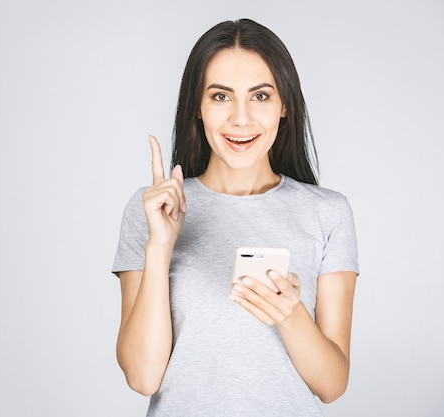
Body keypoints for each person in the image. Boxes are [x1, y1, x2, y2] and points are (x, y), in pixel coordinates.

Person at [112, 18, 359, 417]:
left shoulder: (327, 212)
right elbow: (143, 377)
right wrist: (159, 247)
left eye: (260, 96)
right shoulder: (153, 209)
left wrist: (290, 315)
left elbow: (332, 386)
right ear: (198, 106)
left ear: (285, 106)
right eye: (221, 96)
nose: (241, 119)